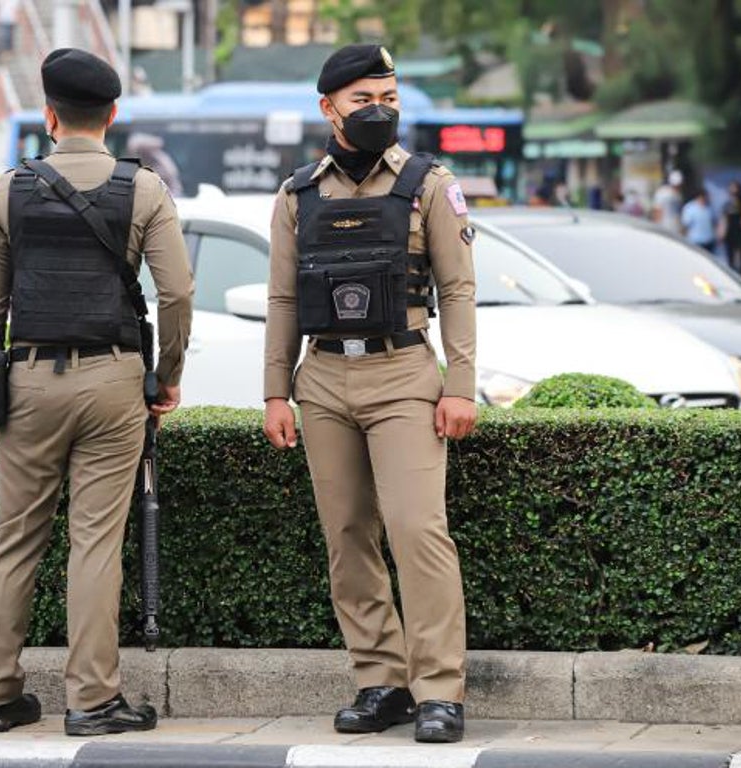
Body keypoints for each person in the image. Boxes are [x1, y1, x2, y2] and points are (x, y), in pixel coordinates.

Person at [0, 48, 193, 736]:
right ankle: (92, 700)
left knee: (15, 538)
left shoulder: (7, 190)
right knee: (94, 541)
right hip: (113, 377)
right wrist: (167, 377)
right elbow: (178, 292)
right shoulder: (146, 189)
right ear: (113, 116)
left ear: (49, 114)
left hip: (30, 377)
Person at [262, 44, 476, 743]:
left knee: (419, 531)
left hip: (403, 374)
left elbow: (459, 289)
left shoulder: (427, 184)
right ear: (328, 109)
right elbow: (282, 298)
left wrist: (462, 384)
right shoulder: (298, 195)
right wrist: (275, 392)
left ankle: (440, 690)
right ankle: (381, 682)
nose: (380, 110)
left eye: (389, 96)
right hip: (322, 379)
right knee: (348, 536)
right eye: (364, 100)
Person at [721, 181, 741, 275]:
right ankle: (732, 274)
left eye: (735, 189)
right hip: (730, 234)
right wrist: (722, 232)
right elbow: (724, 219)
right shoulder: (727, 204)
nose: (733, 192)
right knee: (730, 259)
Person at [682, 188, 719, 256]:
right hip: (695, 241)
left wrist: (717, 236)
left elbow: (715, 223)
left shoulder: (710, 207)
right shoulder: (690, 208)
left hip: (709, 240)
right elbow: (685, 225)